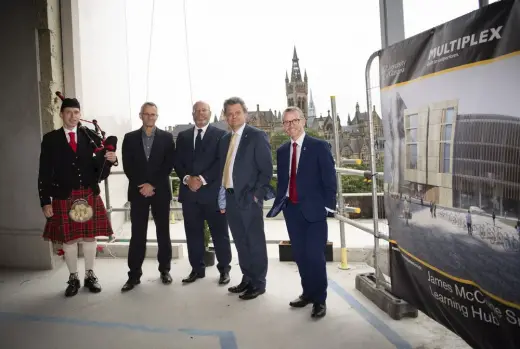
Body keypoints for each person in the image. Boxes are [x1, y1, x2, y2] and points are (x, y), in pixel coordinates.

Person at [38, 97, 118, 297]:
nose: (73, 116)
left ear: (80, 114)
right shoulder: (50, 139)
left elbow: (102, 171)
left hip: (88, 192)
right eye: (68, 112)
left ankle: (90, 275)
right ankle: (73, 277)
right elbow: (44, 172)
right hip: (63, 194)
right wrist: (45, 201)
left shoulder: (90, 137)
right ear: (61, 114)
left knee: (90, 236)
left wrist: (111, 160)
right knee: (70, 239)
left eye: (76, 112)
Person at [267, 106, 337, 319]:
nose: (291, 125)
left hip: (315, 211)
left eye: (294, 120)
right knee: (300, 255)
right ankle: (307, 293)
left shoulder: (319, 146)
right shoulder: (281, 151)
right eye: (287, 122)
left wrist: (328, 207)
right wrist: (281, 200)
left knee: (315, 256)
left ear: (303, 121)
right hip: (292, 210)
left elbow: (329, 179)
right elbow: (284, 180)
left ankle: (320, 300)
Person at [219, 97, 273, 300]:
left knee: (255, 241)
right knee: (241, 241)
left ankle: (259, 283)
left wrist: (256, 196)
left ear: (245, 114)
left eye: (237, 113)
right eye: (229, 114)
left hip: (249, 199)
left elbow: (266, 170)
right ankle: (247, 278)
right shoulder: (225, 140)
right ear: (225, 117)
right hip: (231, 198)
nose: (233, 117)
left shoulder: (257, 136)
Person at [173, 101, 232, 285]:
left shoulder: (221, 135)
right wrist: (187, 179)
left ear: (209, 113)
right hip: (190, 195)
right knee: (193, 234)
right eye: (197, 111)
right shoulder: (182, 137)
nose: (200, 114)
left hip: (212, 195)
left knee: (220, 234)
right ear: (193, 114)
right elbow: (178, 162)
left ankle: (224, 270)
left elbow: (221, 163)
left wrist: (202, 179)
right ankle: (196, 269)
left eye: (204, 110)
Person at [121, 102, 175, 292]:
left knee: (163, 233)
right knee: (137, 235)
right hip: (138, 192)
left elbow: (168, 165)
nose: (150, 117)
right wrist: (142, 185)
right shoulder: (129, 138)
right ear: (140, 115)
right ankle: (134, 275)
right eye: (147, 114)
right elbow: (128, 166)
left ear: (157, 116)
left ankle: (165, 270)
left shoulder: (168, 138)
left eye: (153, 114)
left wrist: (152, 184)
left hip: (160, 192)